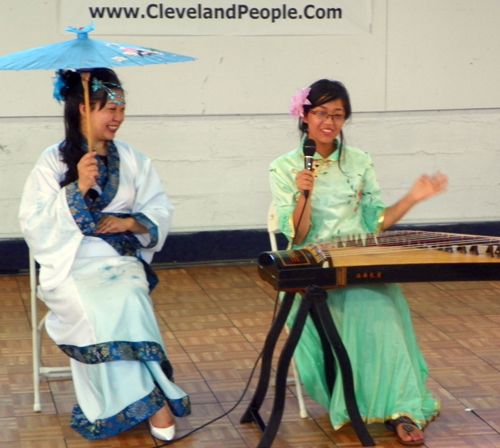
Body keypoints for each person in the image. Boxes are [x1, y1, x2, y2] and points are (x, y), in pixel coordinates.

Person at [269, 79, 448, 446]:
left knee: (381, 306)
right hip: (317, 266)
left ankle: (400, 408)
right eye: (320, 113)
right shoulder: (284, 167)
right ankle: (382, 404)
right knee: (372, 310)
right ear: (304, 116)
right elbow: (298, 236)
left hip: (360, 257)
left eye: (337, 115)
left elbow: (373, 223)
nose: (329, 122)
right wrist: (304, 194)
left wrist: (413, 198)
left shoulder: (360, 160)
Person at [19, 68, 190, 442]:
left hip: (119, 261)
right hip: (70, 263)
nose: (118, 117)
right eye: (109, 108)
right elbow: (33, 224)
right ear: (83, 108)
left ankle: (144, 398)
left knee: (127, 294)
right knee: (101, 304)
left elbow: (159, 208)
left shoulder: (132, 160)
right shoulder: (52, 162)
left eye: (121, 108)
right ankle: (153, 400)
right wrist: (76, 187)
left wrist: (129, 223)